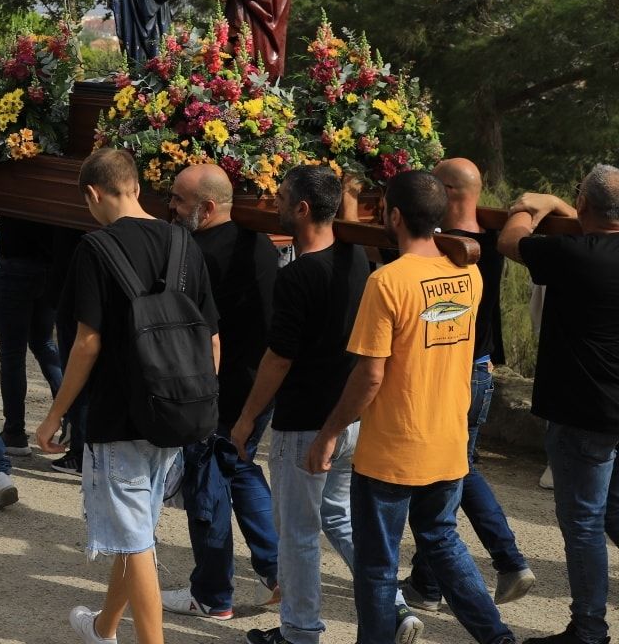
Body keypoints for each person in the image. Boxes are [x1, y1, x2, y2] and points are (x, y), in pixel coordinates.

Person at [306, 171, 513, 644]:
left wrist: (329, 433)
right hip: (447, 440)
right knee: (442, 541)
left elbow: (370, 375)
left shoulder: (387, 281)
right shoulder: (469, 274)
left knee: (378, 567)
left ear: (394, 216)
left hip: (393, 449)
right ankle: (498, 638)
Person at [33, 147, 219, 644]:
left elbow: (86, 343)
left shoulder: (94, 250)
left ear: (94, 194)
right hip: (176, 411)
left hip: (119, 414)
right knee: (135, 530)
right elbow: (211, 336)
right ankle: (103, 628)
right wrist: (203, 400)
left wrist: (55, 414)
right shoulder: (185, 243)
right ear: (136, 186)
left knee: (135, 540)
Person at [231, 164, 375, 644]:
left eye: (281, 198)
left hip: (307, 426)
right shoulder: (357, 260)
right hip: (348, 416)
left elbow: (277, 359)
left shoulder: (297, 277)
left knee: (297, 536)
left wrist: (248, 418)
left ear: (303, 208)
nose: (274, 206)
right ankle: (391, 607)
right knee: (339, 517)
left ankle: (299, 632)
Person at [400, 159, 534, 612]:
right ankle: (427, 583)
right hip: (479, 368)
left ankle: (508, 559)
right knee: (450, 469)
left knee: (455, 470)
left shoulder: (448, 248)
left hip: (454, 371)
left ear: (448, 191)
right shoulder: (492, 244)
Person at [500, 166, 619, 644]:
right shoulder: (587, 251)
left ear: (582, 205)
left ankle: (588, 630)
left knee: (585, 523)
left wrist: (534, 205)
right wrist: (563, 201)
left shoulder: (574, 255)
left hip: (583, 412)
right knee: (612, 514)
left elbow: (511, 240)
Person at [163, 163, 279, 618]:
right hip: (259, 386)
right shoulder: (263, 245)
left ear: (207, 208)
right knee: (243, 471)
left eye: (177, 200)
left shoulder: (193, 254)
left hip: (216, 390)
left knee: (206, 489)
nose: (169, 207)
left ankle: (211, 594)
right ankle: (277, 571)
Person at [0, 216, 67, 455]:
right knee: (43, 343)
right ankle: (72, 418)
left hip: (15, 260)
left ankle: (14, 432)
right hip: (48, 265)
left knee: (12, 353)